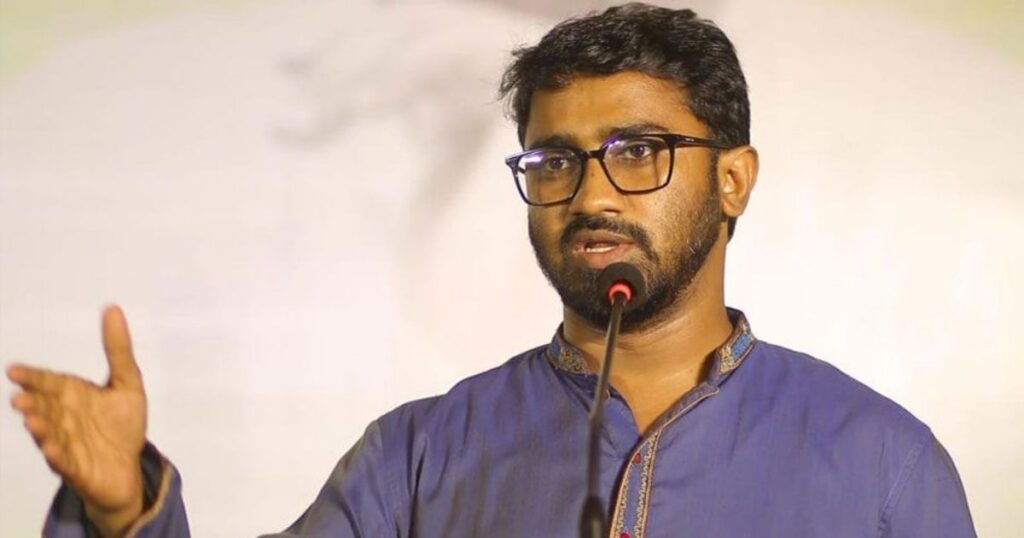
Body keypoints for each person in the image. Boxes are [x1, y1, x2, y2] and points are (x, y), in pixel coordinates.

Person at [7, 4, 976, 537]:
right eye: (555, 160)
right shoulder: (417, 457)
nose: (590, 195)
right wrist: (123, 510)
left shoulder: (884, 467)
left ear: (733, 179)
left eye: (637, 152)